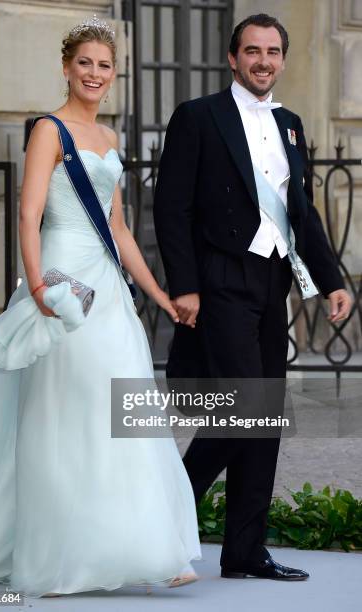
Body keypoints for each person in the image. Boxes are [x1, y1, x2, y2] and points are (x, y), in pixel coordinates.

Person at [0, 17, 201, 597]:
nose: (94, 74)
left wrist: (162, 297)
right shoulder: (49, 129)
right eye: (85, 63)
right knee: (69, 413)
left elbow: (119, 230)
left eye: (104, 66)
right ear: (67, 68)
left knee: (124, 413)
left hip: (108, 289)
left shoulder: (111, 141)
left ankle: (150, 548)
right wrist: (39, 288)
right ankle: (65, 556)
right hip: (63, 284)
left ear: (114, 77)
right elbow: (28, 212)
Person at [153, 13, 352, 581]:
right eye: (252, 51)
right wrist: (184, 284)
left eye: (272, 51)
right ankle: (164, 518)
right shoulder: (198, 117)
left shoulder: (289, 123)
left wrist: (331, 279)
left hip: (273, 282)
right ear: (233, 58)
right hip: (219, 282)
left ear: (283, 59)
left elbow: (301, 212)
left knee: (263, 419)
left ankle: (244, 551)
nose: (263, 61)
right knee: (243, 412)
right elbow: (172, 207)